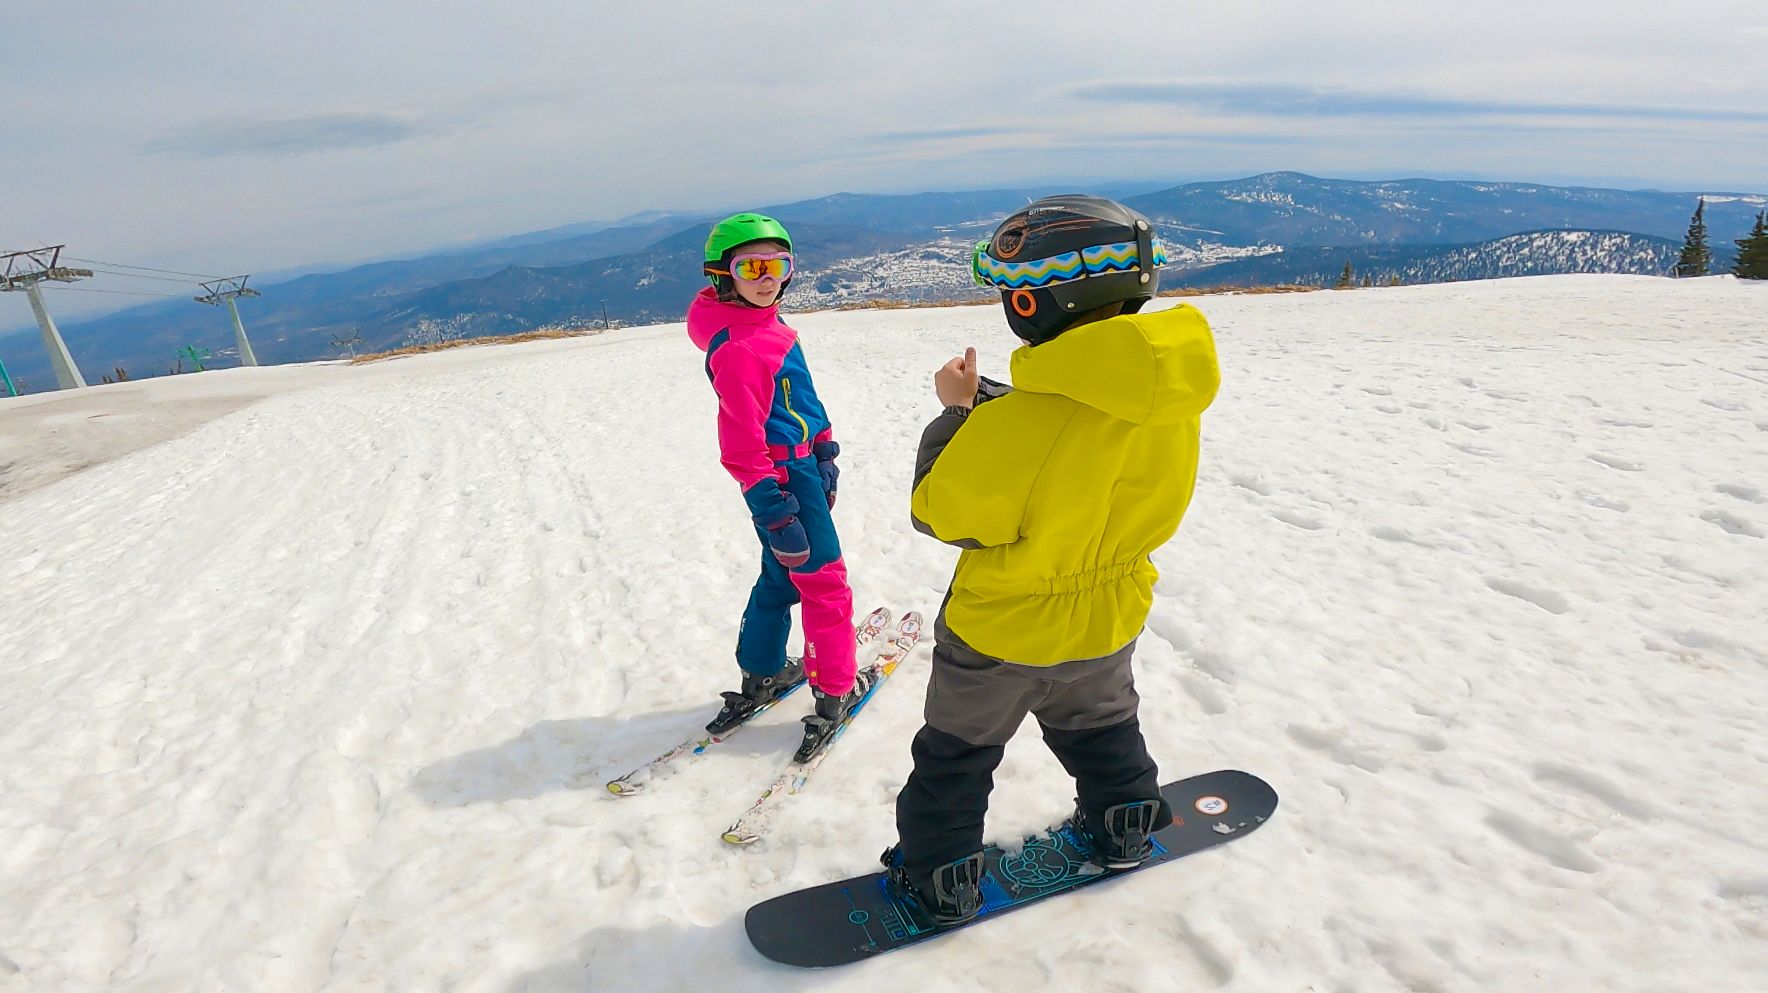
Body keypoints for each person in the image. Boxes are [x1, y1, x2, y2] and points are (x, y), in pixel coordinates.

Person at [882, 195, 1222, 924]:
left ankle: (937, 876)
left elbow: (944, 510)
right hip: (1109, 613)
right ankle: (1126, 821)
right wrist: (1002, 410)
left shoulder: (1018, 422)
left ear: (1037, 302)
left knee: (955, 758)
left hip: (1001, 629)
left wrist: (955, 414)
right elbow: (1084, 448)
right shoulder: (1169, 399)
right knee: (1103, 728)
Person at [684, 212, 871, 761]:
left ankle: (761, 672)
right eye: (752, 266)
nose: (768, 277)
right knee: (824, 583)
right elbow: (741, 445)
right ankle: (835, 690)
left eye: (779, 264)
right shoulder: (741, 347)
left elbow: (801, 400)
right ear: (725, 274)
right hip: (783, 479)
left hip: (802, 466)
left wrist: (825, 448)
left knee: (780, 575)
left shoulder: (766, 326)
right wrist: (776, 509)